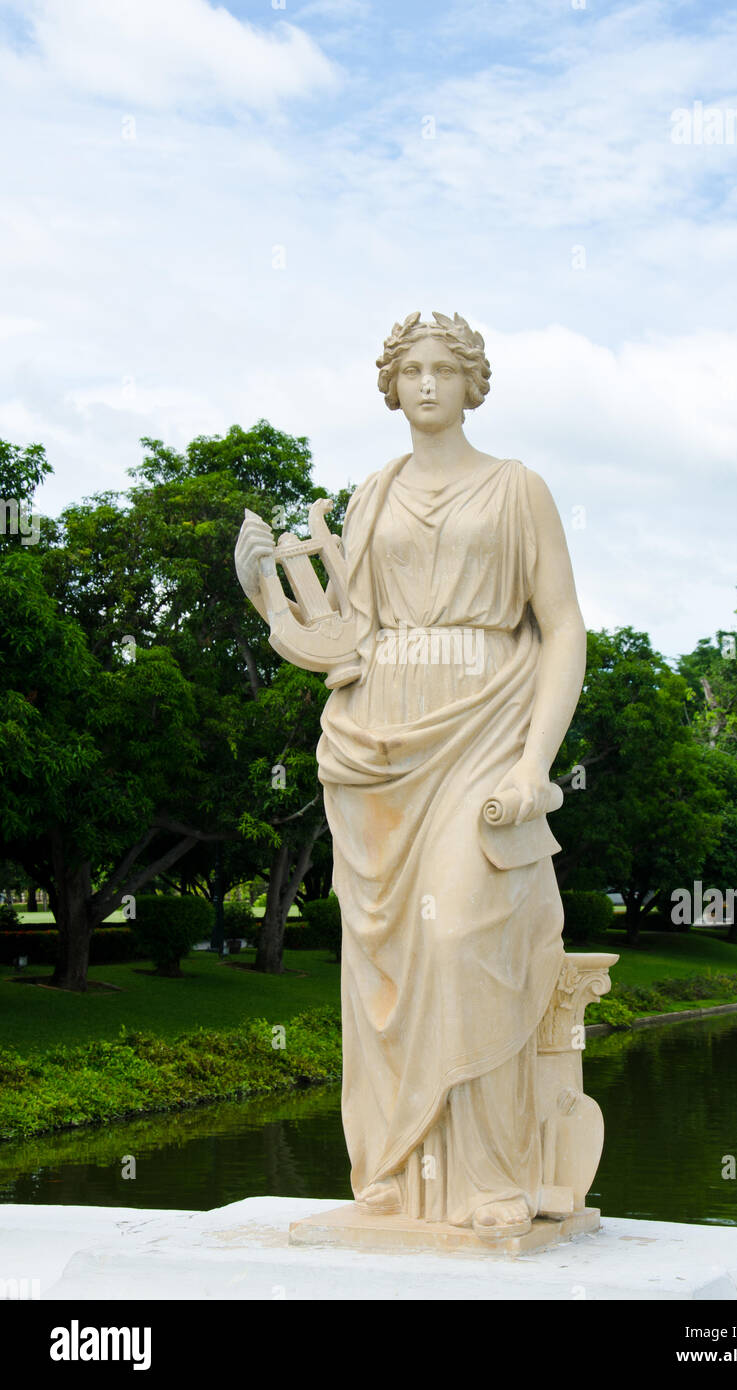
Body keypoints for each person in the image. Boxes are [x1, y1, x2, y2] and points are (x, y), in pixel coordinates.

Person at [237, 312, 587, 1239]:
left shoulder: (518, 490)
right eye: (411, 371)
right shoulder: (371, 496)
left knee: (466, 933)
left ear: (475, 384)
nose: (427, 384)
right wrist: (288, 620)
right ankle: (395, 1164)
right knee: (384, 961)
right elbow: (356, 632)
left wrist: (535, 763)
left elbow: (563, 629)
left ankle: (489, 1174)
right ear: (390, 387)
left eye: (446, 370)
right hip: (381, 744)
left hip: (486, 725)